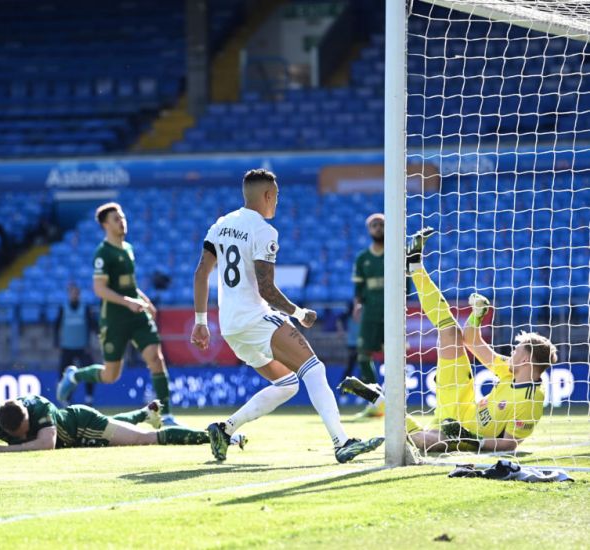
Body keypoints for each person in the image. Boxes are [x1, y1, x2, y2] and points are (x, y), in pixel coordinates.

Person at [191, 168, 384, 462]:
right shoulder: (264, 231)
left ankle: (225, 429)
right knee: (314, 369)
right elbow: (267, 289)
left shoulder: (220, 224)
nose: (277, 202)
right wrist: (299, 312)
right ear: (268, 195)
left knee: (287, 384)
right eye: (276, 196)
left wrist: (201, 322)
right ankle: (342, 442)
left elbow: (201, 273)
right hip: (255, 318)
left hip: (230, 325)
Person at [339, 227, 557, 453]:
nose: (512, 353)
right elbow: (472, 342)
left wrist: (471, 442)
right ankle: (414, 266)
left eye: (518, 351)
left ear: (527, 361)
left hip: (463, 434)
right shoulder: (509, 370)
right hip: (459, 399)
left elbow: (510, 444)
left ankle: (378, 400)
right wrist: (476, 316)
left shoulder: (531, 400)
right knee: (451, 331)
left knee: (423, 441)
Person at [56, 203, 180, 425]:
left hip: (137, 314)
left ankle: (166, 415)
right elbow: (99, 289)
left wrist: (145, 301)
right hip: (115, 318)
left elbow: (129, 286)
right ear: (105, 224)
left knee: (156, 358)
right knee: (111, 375)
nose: (122, 221)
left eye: (123, 217)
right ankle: (74, 376)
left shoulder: (128, 248)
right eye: (116, 218)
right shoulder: (103, 253)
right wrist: (128, 302)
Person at [0, 394, 246, 452]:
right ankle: (145, 412)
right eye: (21, 435)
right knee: (121, 429)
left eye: (27, 430)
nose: (26, 435)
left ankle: (213, 435)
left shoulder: (37, 407)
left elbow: (46, 443)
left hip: (83, 423)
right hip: (78, 437)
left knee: (142, 440)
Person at [351, 212, 386, 418]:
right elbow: (358, 288)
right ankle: (375, 402)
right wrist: (357, 306)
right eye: (374, 225)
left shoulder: (395, 253)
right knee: (363, 355)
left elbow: (406, 287)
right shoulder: (362, 258)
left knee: (395, 356)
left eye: (381, 224)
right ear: (369, 230)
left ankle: (397, 403)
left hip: (391, 312)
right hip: (370, 312)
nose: (378, 228)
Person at [54, 283, 97, 404]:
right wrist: (56, 342)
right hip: (67, 347)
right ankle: (67, 399)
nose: (74, 295)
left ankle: (89, 397)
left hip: (83, 347)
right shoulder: (63, 307)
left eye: (76, 293)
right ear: (69, 294)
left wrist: (98, 335)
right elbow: (56, 326)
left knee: (89, 372)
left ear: (79, 294)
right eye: (72, 293)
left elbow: (92, 324)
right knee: (64, 374)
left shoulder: (85, 307)